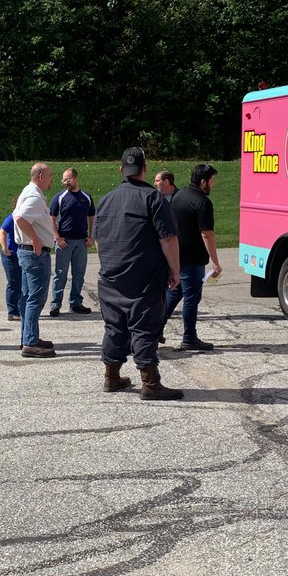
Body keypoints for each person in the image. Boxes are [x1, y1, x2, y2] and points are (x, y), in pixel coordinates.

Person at [95, 147, 182, 400]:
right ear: (144, 168)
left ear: (121, 170)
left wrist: (109, 264)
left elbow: (98, 239)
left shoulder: (106, 199)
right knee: (144, 326)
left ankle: (111, 376)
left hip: (111, 275)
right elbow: (168, 239)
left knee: (114, 326)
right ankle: (150, 382)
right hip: (144, 277)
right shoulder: (154, 198)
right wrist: (174, 270)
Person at [164, 163, 222, 351]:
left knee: (175, 293)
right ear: (203, 182)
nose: (213, 184)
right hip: (193, 258)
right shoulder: (203, 202)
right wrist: (215, 262)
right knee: (192, 297)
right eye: (212, 180)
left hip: (176, 255)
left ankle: (154, 330)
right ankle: (189, 337)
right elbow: (207, 234)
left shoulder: (179, 195)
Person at [13, 163, 57, 357]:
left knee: (27, 298)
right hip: (35, 254)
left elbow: (18, 216)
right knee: (35, 298)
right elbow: (20, 218)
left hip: (28, 253)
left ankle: (28, 336)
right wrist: (36, 239)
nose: (51, 179)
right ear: (40, 176)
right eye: (49, 175)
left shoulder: (29, 192)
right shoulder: (35, 196)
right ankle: (30, 342)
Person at [48, 167, 95, 317]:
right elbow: (51, 218)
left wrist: (91, 236)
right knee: (60, 274)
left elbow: (92, 217)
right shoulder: (59, 197)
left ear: (75, 178)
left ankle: (75, 303)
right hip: (64, 242)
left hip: (81, 242)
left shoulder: (86, 197)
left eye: (67, 179)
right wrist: (57, 237)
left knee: (79, 274)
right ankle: (55, 304)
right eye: (63, 180)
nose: (65, 182)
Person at [0, 195, 21, 321]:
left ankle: (21, 308)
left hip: (21, 254)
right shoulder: (12, 217)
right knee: (13, 282)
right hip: (10, 255)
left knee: (22, 283)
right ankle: (12, 311)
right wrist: (5, 248)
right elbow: (2, 232)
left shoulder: (26, 217)